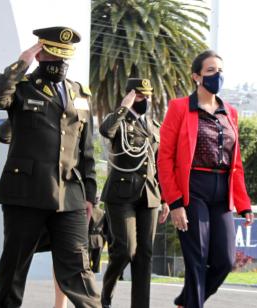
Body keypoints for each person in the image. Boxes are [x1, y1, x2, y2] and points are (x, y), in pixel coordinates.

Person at [0, 26, 100, 308]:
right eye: (53, 56)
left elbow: (87, 150)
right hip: (26, 192)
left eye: (64, 58)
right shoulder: (22, 89)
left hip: (69, 194)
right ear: (41, 53)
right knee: (14, 269)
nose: (59, 64)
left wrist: (90, 195)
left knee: (78, 268)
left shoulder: (79, 94)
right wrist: (22, 62)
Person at [157, 50, 254, 308]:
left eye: (220, 70)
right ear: (196, 77)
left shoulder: (230, 112)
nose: (217, 75)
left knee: (224, 260)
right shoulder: (179, 108)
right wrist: (175, 202)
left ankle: (186, 301)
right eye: (211, 70)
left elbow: (237, 163)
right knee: (196, 258)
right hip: (192, 189)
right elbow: (164, 158)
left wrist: (244, 204)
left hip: (222, 191)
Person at [99, 78, 169, 308]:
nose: (145, 100)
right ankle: (106, 292)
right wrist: (124, 106)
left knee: (144, 254)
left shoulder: (154, 126)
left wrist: (166, 198)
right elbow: (105, 129)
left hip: (149, 194)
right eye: (140, 96)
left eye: (147, 96)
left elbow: (159, 163)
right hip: (121, 194)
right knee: (125, 250)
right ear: (130, 95)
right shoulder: (119, 121)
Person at [0, 119, 69, 308]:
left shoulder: (70, 102)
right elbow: (3, 134)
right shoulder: (25, 102)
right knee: (16, 263)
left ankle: (60, 305)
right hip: (27, 196)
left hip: (61, 192)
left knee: (66, 255)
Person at [88, 203, 105, 273]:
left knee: (87, 262)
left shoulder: (88, 211)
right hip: (99, 239)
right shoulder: (102, 212)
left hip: (88, 238)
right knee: (96, 263)